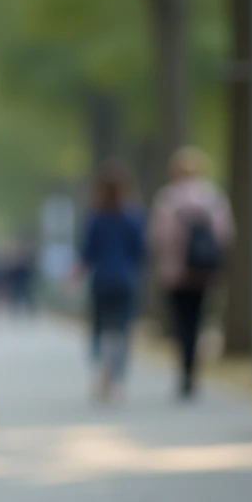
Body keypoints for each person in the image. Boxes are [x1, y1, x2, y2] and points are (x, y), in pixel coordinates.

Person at [149, 146, 234, 399]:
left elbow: (158, 237)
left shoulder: (167, 198)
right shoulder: (213, 197)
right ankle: (193, 371)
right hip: (204, 273)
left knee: (180, 324)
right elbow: (225, 234)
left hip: (174, 272)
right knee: (198, 322)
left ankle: (184, 370)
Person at [79, 160, 145, 403]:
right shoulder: (133, 216)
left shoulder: (95, 217)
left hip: (101, 280)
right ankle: (117, 378)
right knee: (122, 329)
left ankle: (101, 370)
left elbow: (87, 252)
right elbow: (140, 250)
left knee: (99, 328)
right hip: (125, 279)